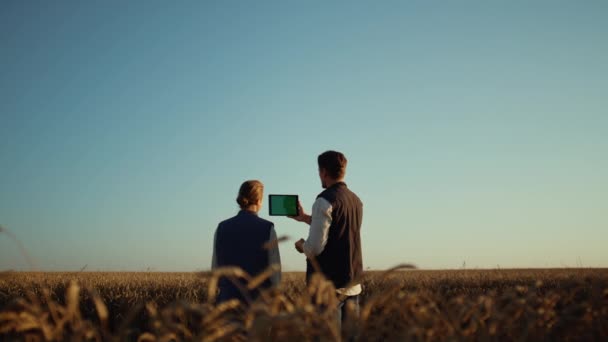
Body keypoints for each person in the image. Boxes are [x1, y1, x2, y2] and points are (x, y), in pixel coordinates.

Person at [289, 151, 363, 325]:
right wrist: (306, 218)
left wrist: (301, 245)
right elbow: (339, 230)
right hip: (353, 284)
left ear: (323, 171)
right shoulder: (356, 200)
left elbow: (314, 248)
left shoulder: (323, 200)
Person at [211, 180, 281, 304]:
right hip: (259, 306)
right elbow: (275, 275)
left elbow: (215, 270)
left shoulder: (221, 227)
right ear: (259, 201)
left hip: (227, 304)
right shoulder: (267, 228)